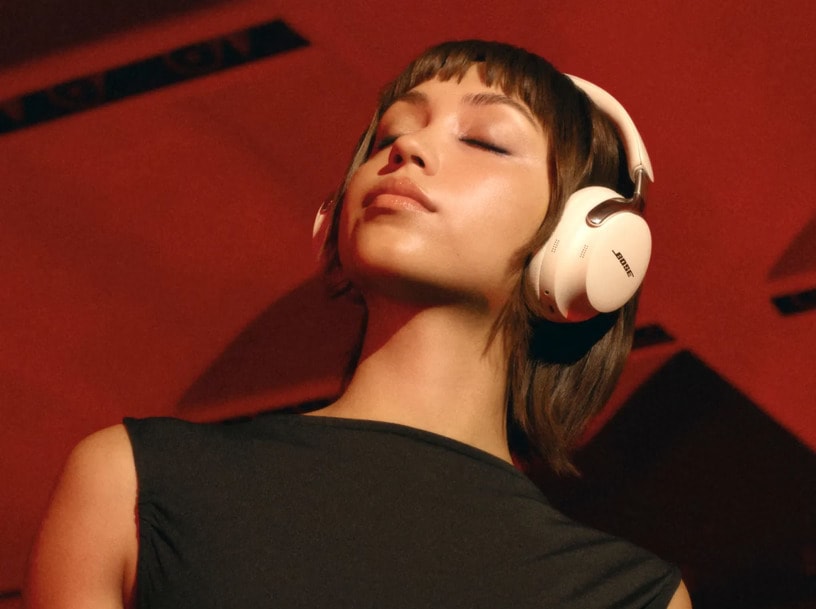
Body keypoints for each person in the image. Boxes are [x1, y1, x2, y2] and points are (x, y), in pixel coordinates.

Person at [25, 40, 692, 608]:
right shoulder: (135, 480)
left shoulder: (629, 596)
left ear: (589, 250)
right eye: (388, 134)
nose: (409, 147)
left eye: (484, 140)